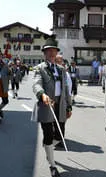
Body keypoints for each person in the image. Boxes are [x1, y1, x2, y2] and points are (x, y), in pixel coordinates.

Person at [32, 35, 72, 177]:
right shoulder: (39, 68)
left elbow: (66, 89)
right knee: (48, 134)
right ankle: (52, 165)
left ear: (56, 52)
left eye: (54, 50)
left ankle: (47, 147)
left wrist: (69, 106)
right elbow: (36, 84)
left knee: (59, 135)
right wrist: (42, 95)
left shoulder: (61, 69)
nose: (51, 53)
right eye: (48, 50)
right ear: (44, 53)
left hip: (60, 105)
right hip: (46, 105)